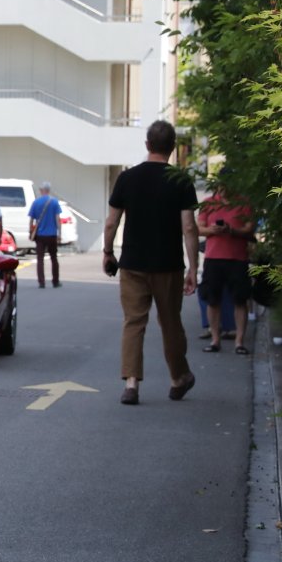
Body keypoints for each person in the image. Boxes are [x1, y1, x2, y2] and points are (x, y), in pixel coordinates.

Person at [103, 119, 199, 405]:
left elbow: (111, 222)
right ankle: (178, 378)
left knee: (134, 322)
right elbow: (189, 227)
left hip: (132, 263)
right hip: (168, 265)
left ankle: (131, 384)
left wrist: (108, 252)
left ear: (147, 144)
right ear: (173, 147)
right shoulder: (180, 180)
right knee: (170, 322)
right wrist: (194, 268)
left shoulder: (127, 178)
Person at [197, 183, 255, 354]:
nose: (224, 190)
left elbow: (249, 228)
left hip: (238, 258)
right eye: (221, 186)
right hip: (213, 258)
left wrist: (232, 231)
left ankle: (239, 341)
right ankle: (215, 340)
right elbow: (198, 228)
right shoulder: (208, 203)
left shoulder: (244, 203)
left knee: (240, 300)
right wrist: (212, 230)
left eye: (227, 185)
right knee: (212, 300)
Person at [27, 181, 64, 288]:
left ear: (41, 190)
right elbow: (58, 219)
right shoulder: (54, 202)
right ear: (49, 190)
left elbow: (31, 220)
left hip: (40, 235)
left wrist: (30, 231)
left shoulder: (36, 202)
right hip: (52, 234)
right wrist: (59, 233)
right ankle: (55, 281)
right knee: (54, 258)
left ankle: (41, 282)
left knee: (40, 259)